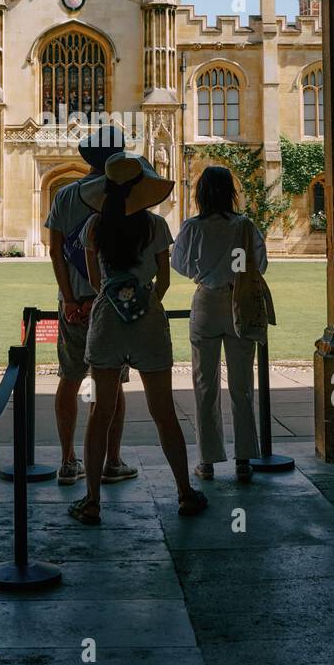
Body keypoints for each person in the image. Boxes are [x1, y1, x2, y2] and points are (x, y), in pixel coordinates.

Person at [66, 153, 208, 524]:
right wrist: (144, 303)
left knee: (100, 412)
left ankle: (92, 500)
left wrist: (116, 299)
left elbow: (96, 282)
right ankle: (184, 493)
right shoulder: (157, 226)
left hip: (106, 320)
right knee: (164, 412)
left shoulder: (94, 226)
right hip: (148, 320)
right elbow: (164, 280)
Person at [45, 126, 136, 487]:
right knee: (111, 385)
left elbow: (55, 250)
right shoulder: (125, 195)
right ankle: (112, 461)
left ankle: (68, 461)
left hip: (74, 304)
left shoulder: (66, 194)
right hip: (111, 303)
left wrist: (69, 298)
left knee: (69, 379)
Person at [171, 165, 270, 483]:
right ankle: (243, 461)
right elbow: (260, 264)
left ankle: (208, 461)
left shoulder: (192, 227)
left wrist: (206, 270)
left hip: (206, 302)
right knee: (242, 387)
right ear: (230, 192)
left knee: (204, 385)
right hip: (237, 302)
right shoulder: (244, 226)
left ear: (201, 194)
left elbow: (181, 265)